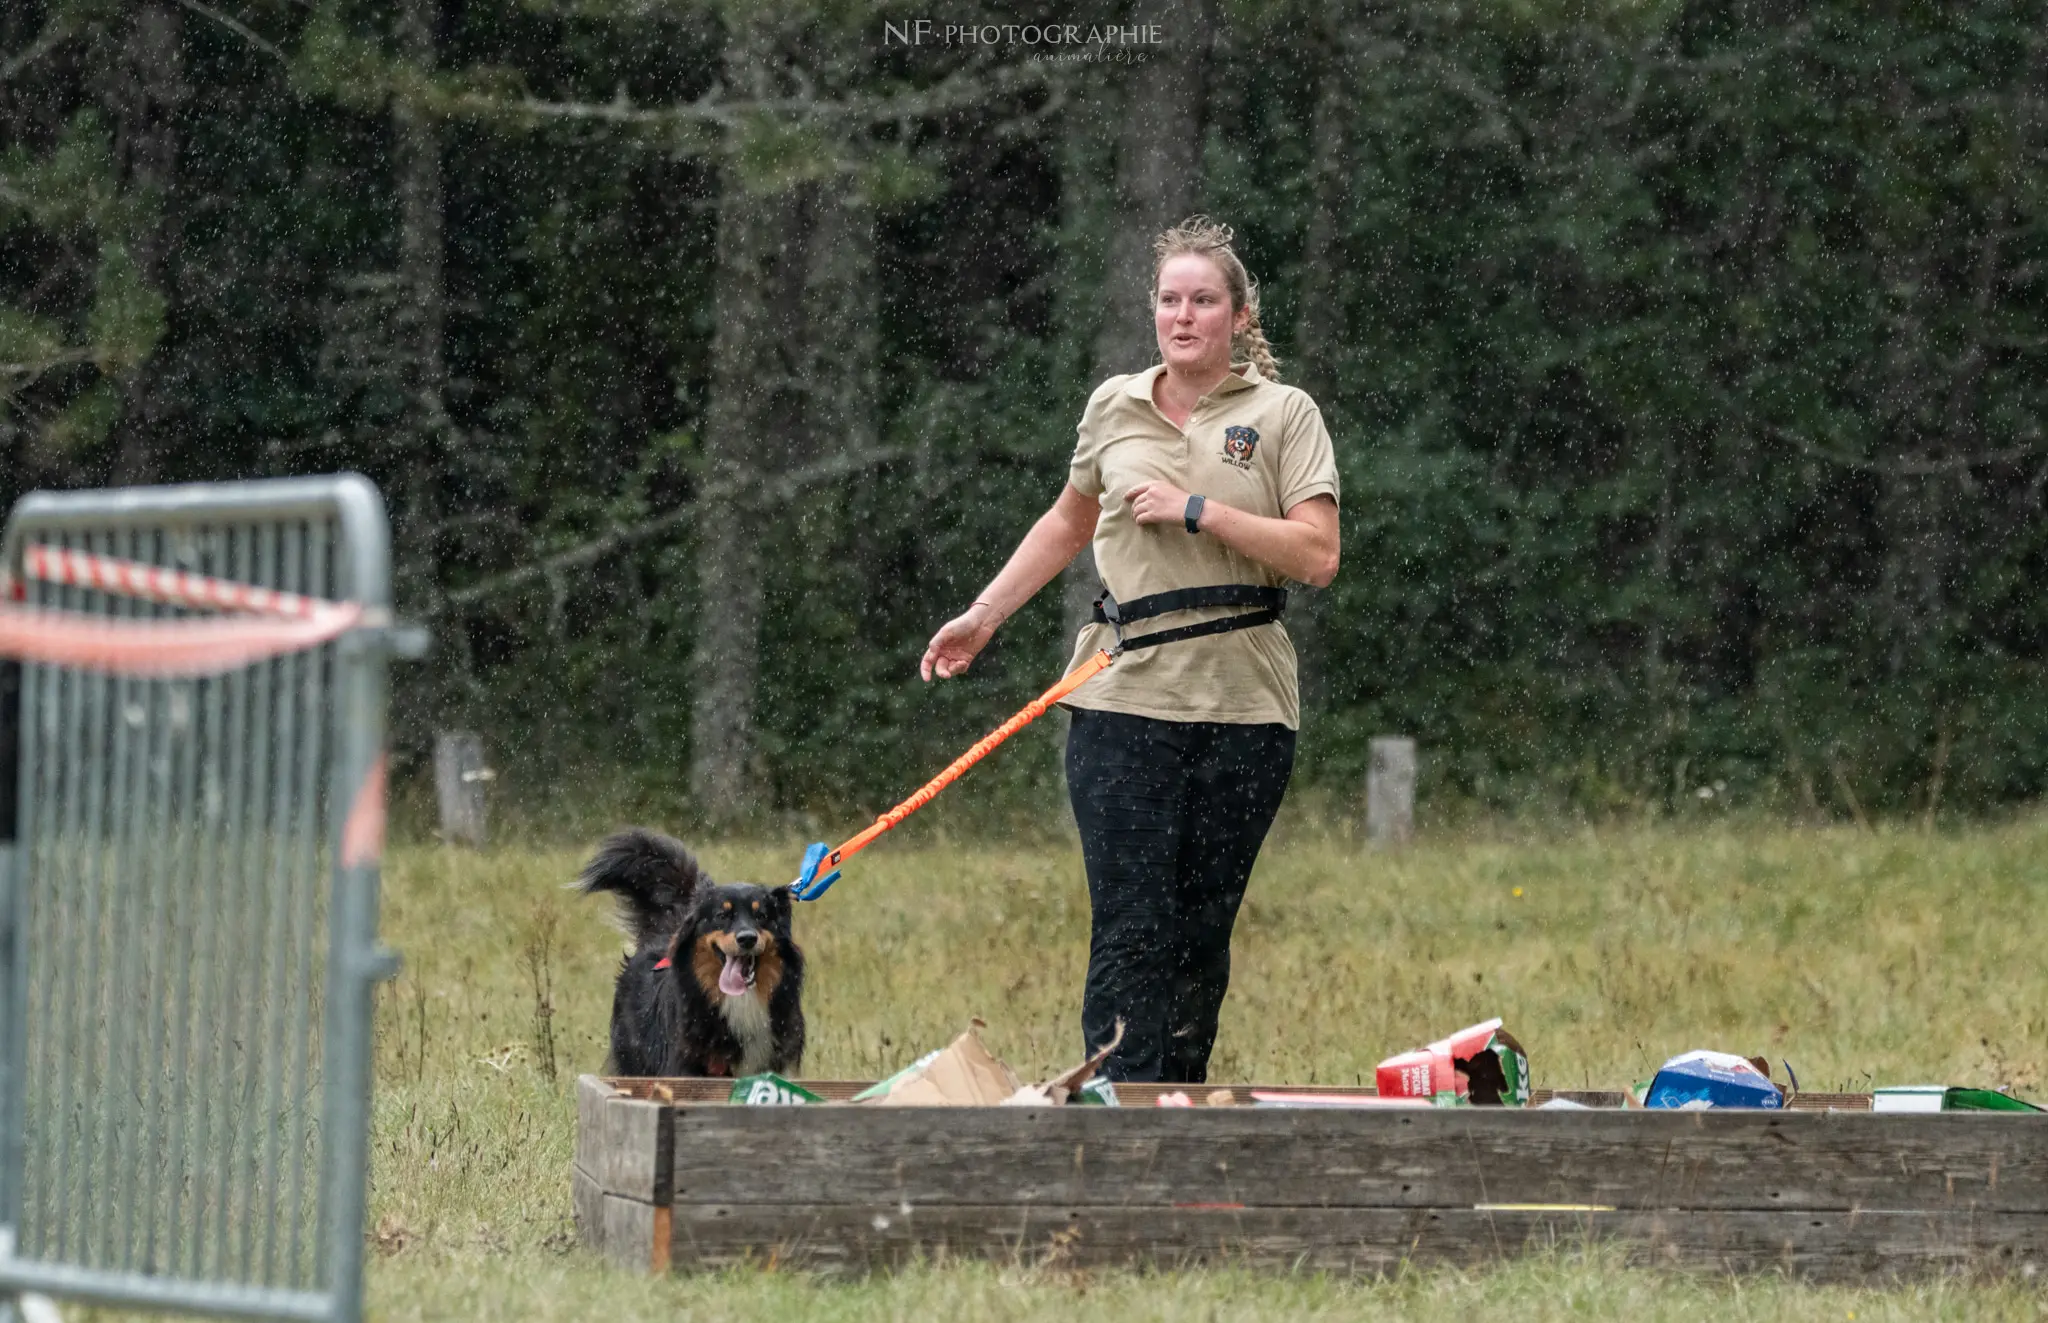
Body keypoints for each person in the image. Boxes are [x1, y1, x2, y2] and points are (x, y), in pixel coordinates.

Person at [919, 217, 1340, 1083]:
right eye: (1169, 300)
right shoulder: (1115, 404)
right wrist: (984, 613)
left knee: (1199, 924)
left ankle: (1174, 1109)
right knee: (1129, 921)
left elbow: (1318, 555)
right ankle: (1114, 1108)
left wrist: (1199, 510)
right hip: (1121, 698)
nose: (1183, 316)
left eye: (1203, 300)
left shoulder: (1282, 413)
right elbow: (1069, 520)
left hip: (1245, 706)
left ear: (1238, 313)